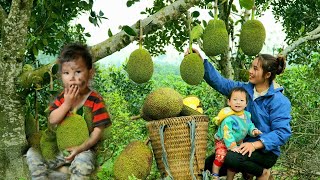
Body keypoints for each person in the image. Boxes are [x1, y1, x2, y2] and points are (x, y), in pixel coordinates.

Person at [186, 49, 292, 180]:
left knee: (231, 158)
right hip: (242, 145)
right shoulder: (244, 91)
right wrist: (202, 60)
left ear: (267, 74)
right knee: (208, 165)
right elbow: (220, 83)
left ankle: (263, 172)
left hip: (265, 152)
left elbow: (282, 133)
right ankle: (249, 172)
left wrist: (254, 145)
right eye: (251, 67)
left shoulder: (278, 100)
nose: (250, 71)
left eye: (255, 69)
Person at [26, 43, 112, 180]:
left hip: (83, 151)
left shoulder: (95, 100)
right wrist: (67, 104)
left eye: (77, 72)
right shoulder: (62, 98)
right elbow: (53, 119)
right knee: (32, 154)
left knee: (83, 161)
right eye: (67, 73)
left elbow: (98, 132)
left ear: (90, 74)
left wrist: (80, 148)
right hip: (62, 153)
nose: (72, 78)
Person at [212, 87, 262, 180]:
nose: (238, 102)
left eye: (241, 100)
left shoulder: (246, 115)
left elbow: (249, 125)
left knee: (234, 160)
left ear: (246, 103)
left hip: (238, 142)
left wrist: (253, 131)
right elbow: (227, 133)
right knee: (220, 155)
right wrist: (232, 146)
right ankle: (215, 175)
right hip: (223, 140)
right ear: (229, 102)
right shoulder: (229, 118)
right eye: (235, 100)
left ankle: (230, 178)